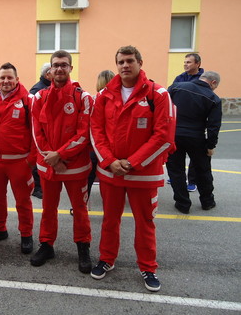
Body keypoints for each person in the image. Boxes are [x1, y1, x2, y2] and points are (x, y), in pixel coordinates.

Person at [90, 45, 174, 292]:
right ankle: (106, 259)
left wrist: (132, 163)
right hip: (111, 172)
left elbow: (164, 136)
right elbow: (96, 131)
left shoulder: (158, 94)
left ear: (140, 62)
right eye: (120, 62)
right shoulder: (104, 95)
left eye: (129, 61)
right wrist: (109, 161)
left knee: (145, 222)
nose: (125, 65)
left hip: (144, 174)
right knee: (109, 220)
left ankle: (148, 267)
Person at [30, 50, 93, 273]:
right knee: (48, 208)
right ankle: (47, 245)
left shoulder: (82, 97)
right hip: (50, 165)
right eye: (55, 65)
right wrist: (53, 158)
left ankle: (83, 248)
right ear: (49, 70)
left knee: (80, 210)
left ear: (70, 68)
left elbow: (84, 133)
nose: (59, 69)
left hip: (75, 167)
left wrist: (61, 155)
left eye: (63, 65)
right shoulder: (39, 97)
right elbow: (37, 132)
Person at [0, 62, 35, 254]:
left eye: (10, 77)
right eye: (2, 77)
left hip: (19, 161)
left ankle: (26, 234)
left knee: (23, 201)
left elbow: (36, 132)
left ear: (17, 80)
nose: (6, 81)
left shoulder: (28, 100)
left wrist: (30, 160)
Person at [166, 71, 222, 214]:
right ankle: (207, 201)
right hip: (196, 137)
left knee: (176, 170)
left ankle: (182, 203)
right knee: (203, 170)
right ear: (213, 82)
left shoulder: (176, 87)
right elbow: (213, 126)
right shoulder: (213, 98)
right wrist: (210, 145)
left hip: (174, 136)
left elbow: (164, 108)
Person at [172, 53, 204, 192]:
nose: (185, 64)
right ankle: (178, 178)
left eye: (189, 62)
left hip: (196, 123)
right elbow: (172, 93)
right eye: (185, 62)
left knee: (194, 156)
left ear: (197, 64)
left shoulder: (203, 79)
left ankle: (192, 181)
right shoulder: (179, 78)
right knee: (177, 153)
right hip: (179, 122)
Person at [87, 70, 115, 197]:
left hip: (96, 144)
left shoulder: (94, 99)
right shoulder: (117, 100)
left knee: (89, 175)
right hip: (112, 144)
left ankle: (83, 200)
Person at [29, 62, 52, 199]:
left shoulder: (48, 87)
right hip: (39, 130)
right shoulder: (37, 90)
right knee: (39, 160)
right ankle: (37, 187)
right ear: (47, 74)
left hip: (48, 130)